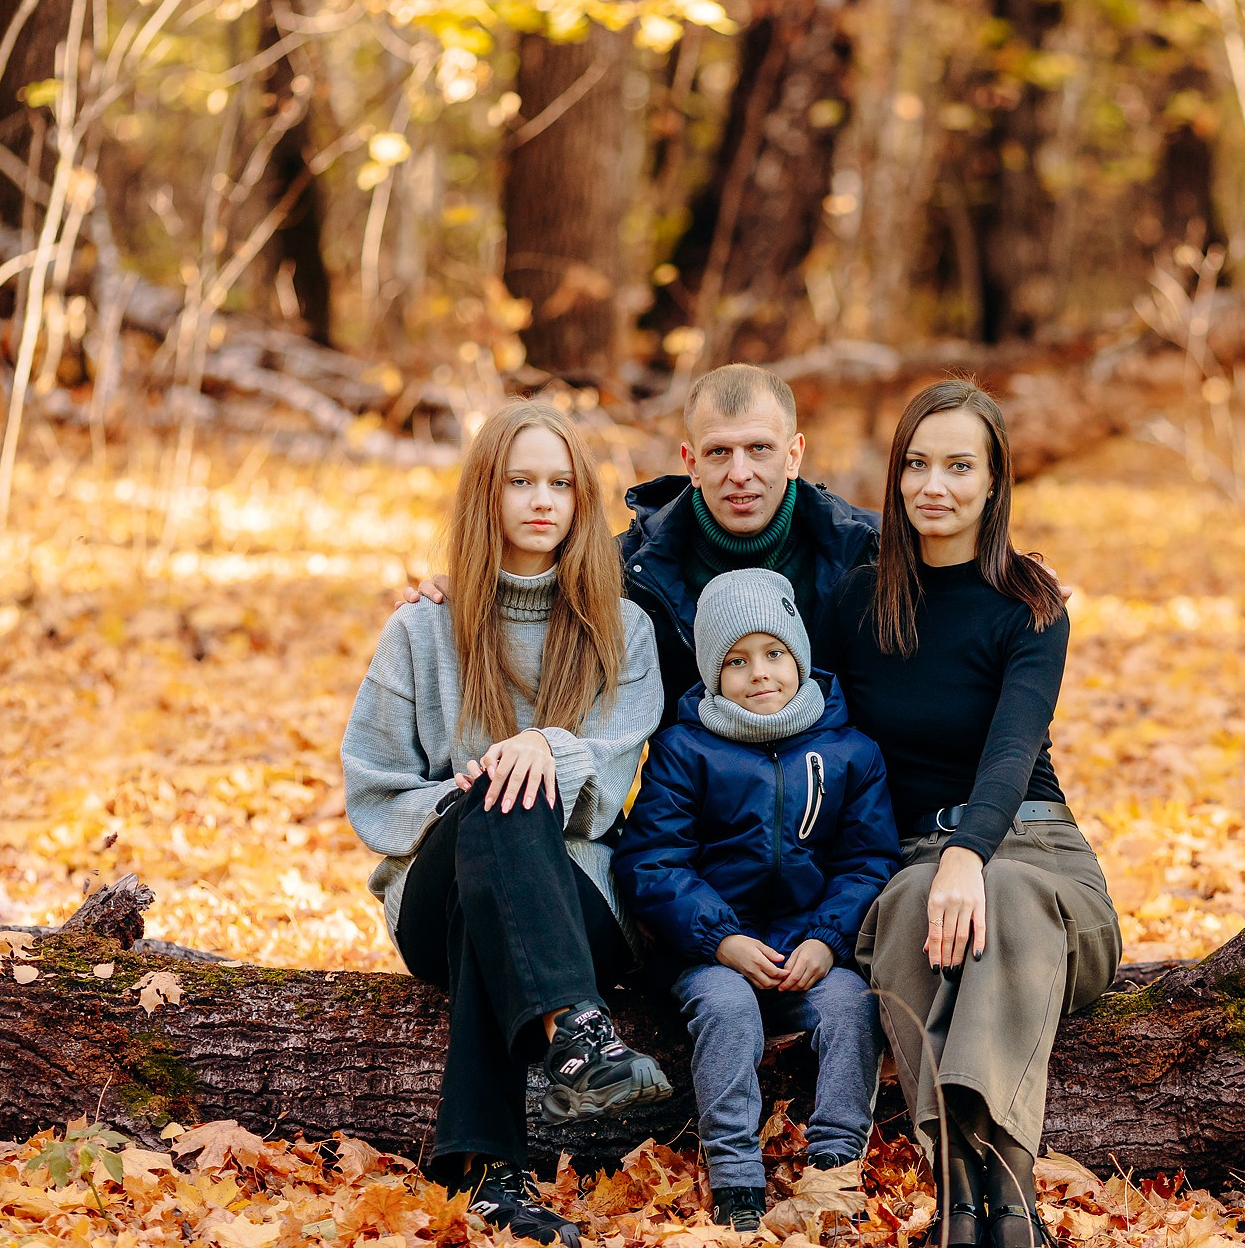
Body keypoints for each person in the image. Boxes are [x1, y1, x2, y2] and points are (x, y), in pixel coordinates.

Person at [341, 401, 669, 1246]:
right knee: (495, 799)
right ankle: (579, 1034)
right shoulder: (423, 627)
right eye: (520, 481)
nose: (541, 501)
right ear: (486, 494)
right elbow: (374, 791)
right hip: (431, 893)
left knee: (514, 794)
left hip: (579, 901)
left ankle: (490, 1176)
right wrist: (468, 796)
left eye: (560, 484)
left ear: (581, 502)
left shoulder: (622, 631)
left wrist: (540, 751)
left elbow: (612, 782)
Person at [820, 380, 1122, 1248]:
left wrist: (968, 854)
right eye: (916, 464)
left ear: (995, 484)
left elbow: (1010, 751)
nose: (934, 486)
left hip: (1040, 854)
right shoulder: (856, 601)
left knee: (1010, 898)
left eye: (960, 466)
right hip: (918, 861)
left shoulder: (1031, 603)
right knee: (914, 906)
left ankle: (1009, 1194)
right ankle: (961, 1202)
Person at [613, 569, 898, 1232]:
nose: (759, 673)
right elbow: (652, 862)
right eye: (736, 661)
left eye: (774, 654)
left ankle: (833, 1164)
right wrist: (720, 939)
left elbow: (868, 862)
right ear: (714, 674)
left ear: (799, 656)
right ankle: (737, 1177)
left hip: (809, 950)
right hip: (712, 951)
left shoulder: (850, 752)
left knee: (852, 1007)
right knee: (728, 1007)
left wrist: (826, 940)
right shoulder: (685, 750)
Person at [403, 365, 882, 729]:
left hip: (840, 809)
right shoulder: (631, 569)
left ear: (793, 454)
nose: (740, 473)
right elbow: (536, 594)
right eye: (718, 452)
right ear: (690, 462)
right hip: (691, 816)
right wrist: (470, 590)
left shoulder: (868, 552)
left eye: (759, 448)